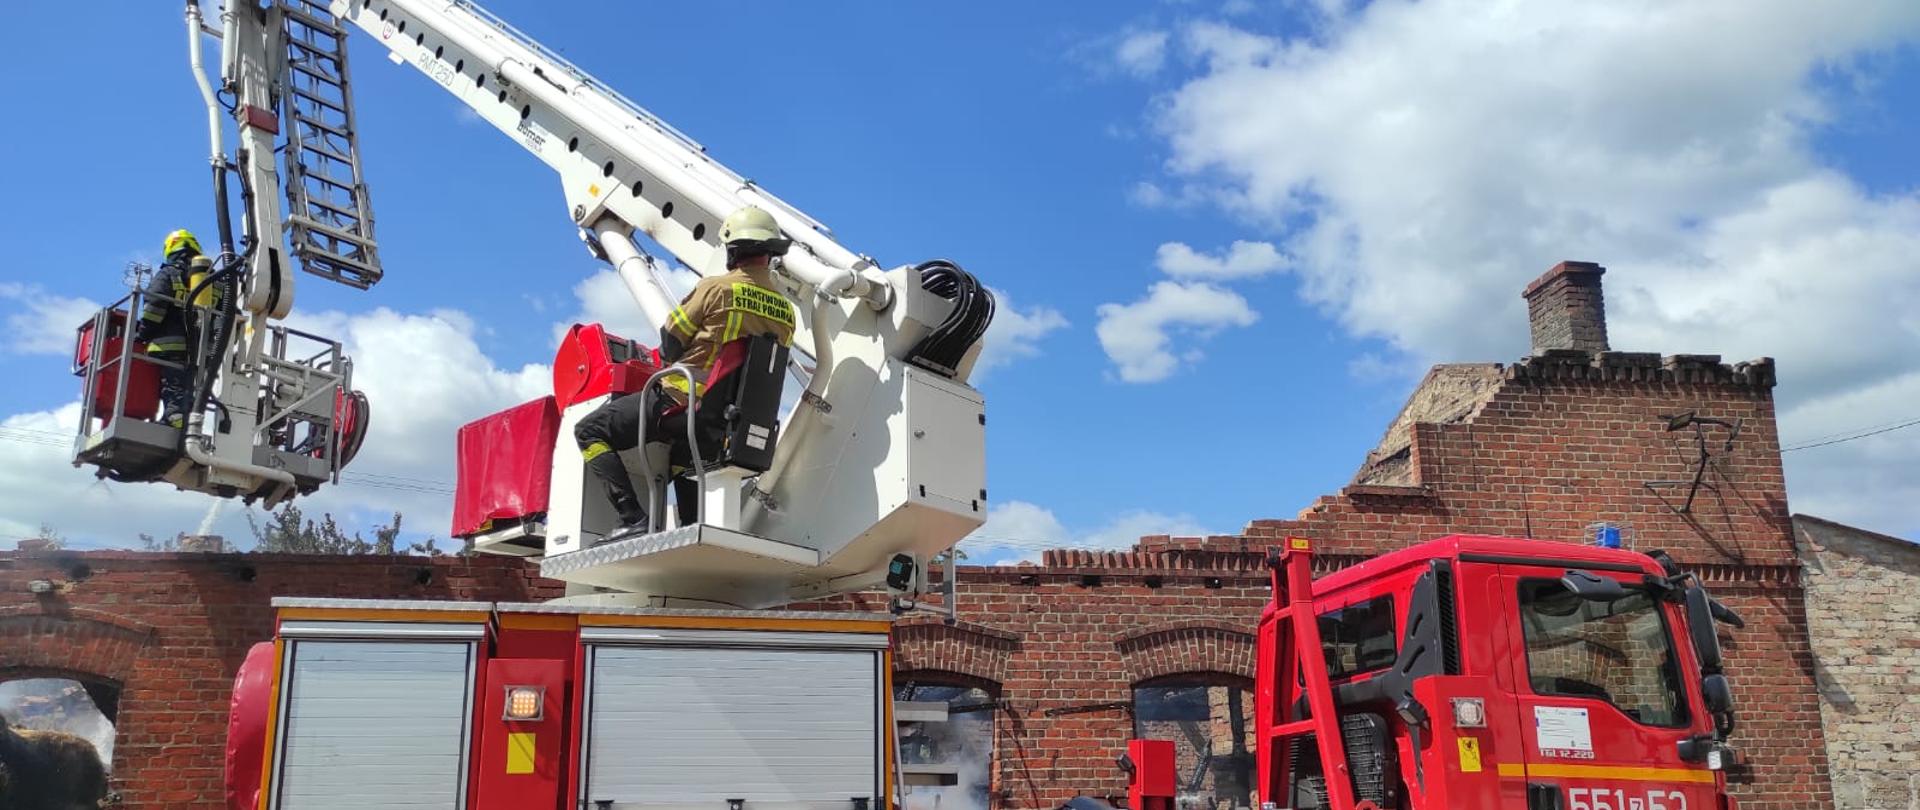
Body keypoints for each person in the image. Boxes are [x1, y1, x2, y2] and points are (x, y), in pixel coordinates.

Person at [573, 206, 798, 534]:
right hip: (731, 420)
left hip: (683, 398)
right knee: (683, 456)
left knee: (589, 431)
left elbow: (670, 344)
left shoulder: (715, 289)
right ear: (771, 253)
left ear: (732, 251)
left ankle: (633, 519)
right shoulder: (787, 313)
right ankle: (693, 525)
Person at [133, 229, 203, 428]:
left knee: (173, 388)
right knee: (191, 389)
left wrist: (141, 334)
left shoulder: (169, 274)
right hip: (200, 350)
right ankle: (187, 421)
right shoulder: (212, 280)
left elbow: (153, 308)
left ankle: (174, 419)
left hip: (169, 346)